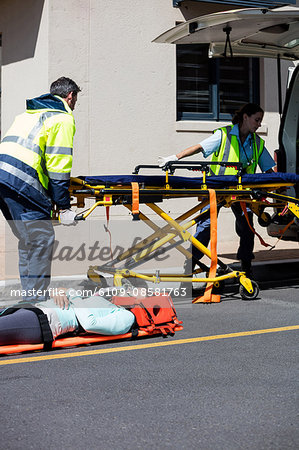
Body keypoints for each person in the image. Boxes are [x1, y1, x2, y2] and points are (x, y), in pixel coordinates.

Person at [158, 103, 275, 277]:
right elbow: (199, 147)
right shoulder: (224, 135)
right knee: (205, 227)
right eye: (257, 120)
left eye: (260, 121)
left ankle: (246, 266)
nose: (259, 124)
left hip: (241, 192)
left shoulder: (257, 143)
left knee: (247, 228)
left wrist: (281, 184)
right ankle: (189, 265)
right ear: (245, 117)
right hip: (216, 189)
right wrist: (175, 158)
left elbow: (268, 171)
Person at [0, 77, 81, 302]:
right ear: (70, 96)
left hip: (3, 177)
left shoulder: (30, 114)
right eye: (75, 101)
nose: (74, 106)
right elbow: (58, 165)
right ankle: (36, 301)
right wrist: (64, 207)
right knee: (41, 238)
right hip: (22, 179)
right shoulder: (63, 118)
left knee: (28, 240)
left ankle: (30, 298)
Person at [0, 289, 135, 346]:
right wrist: (59, 291)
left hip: (45, 321)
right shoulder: (102, 298)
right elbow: (65, 293)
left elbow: (90, 324)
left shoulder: (126, 317)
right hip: (32, 309)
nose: (127, 289)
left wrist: (73, 294)